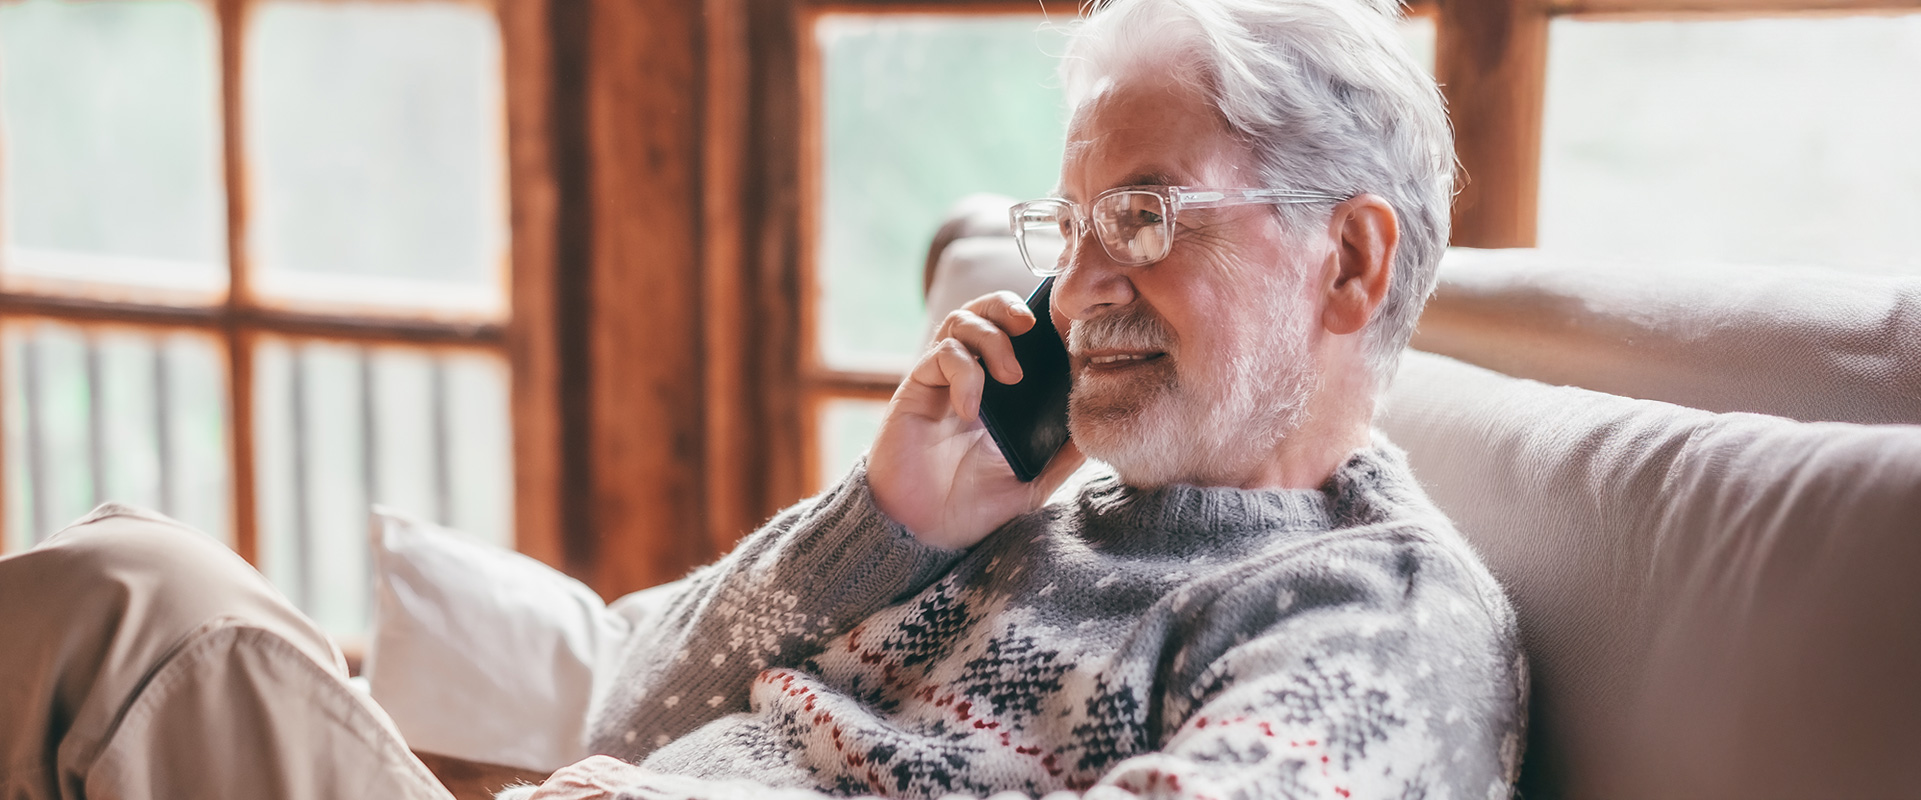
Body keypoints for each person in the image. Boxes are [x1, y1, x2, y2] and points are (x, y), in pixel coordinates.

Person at [0, 0, 1520, 797]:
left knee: (130, 610)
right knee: (108, 597)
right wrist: (888, 521)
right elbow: (627, 707)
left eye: (1148, 214)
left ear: (1347, 260)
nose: (1078, 292)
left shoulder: (1377, 623)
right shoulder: (1020, 504)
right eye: (1073, 230)